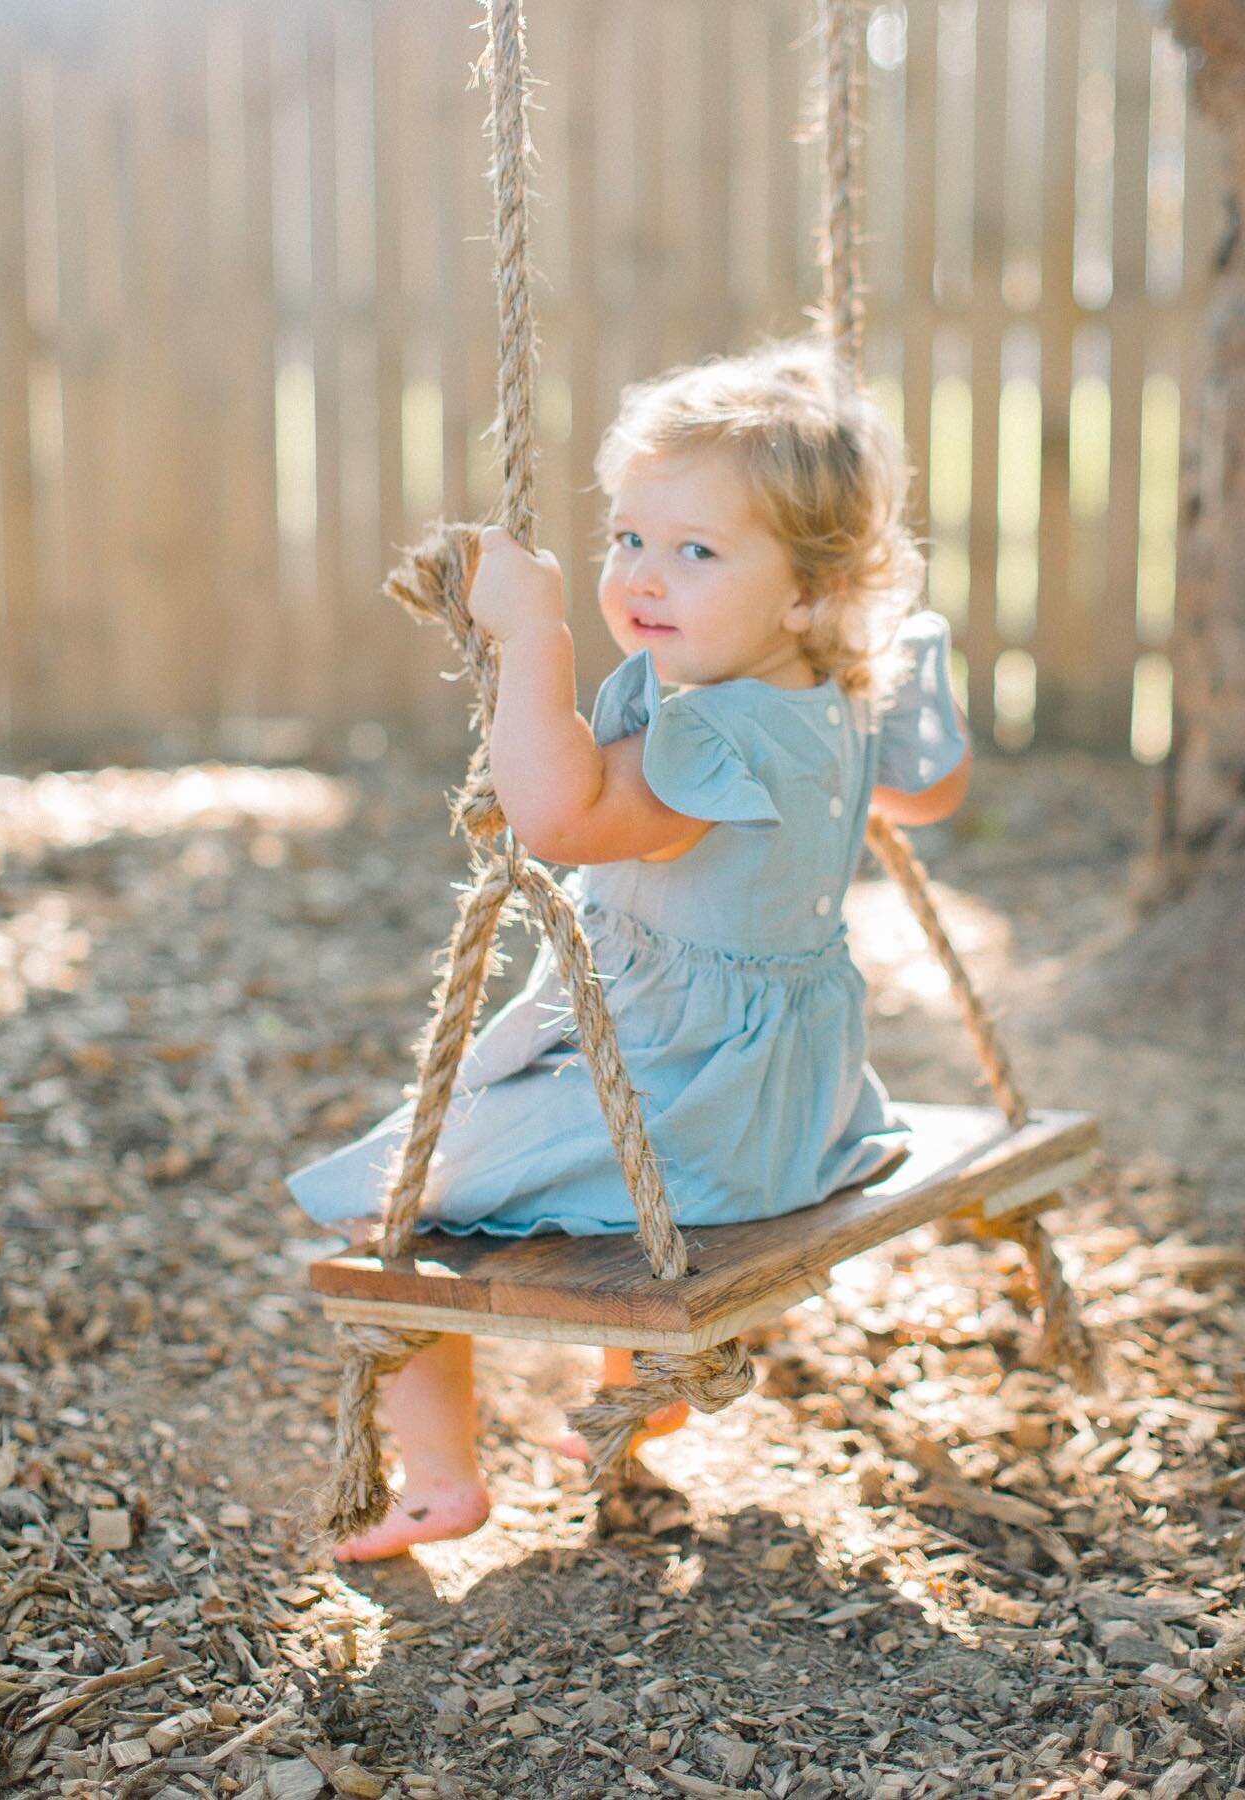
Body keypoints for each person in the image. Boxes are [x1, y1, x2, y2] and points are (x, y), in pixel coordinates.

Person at [286, 337, 972, 1559]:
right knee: (617, 1211)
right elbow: (930, 791)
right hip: (797, 1107)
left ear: (809, 591)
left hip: (683, 1104)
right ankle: (642, 1387)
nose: (644, 579)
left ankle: (443, 1481)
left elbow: (558, 819)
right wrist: (911, 654)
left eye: (697, 551)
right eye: (629, 541)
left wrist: (533, 638)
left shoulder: (719, 740)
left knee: (377, 1217)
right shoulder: (837, 693)